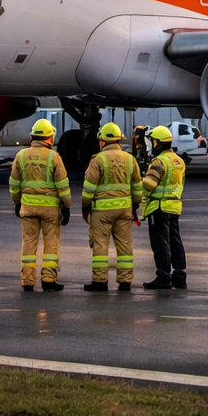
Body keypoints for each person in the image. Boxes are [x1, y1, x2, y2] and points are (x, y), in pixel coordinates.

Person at [9, 118, 71, 291]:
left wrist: (16, 201)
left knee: (28, 243)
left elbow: (14, 182)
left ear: (32, 136)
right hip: (50, 210)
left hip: (28, 207)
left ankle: (27, 282)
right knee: (51, 244)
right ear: (50, 138)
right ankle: (48, 280)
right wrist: (66, 206)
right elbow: (62, 185)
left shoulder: (21, 156)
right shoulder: (54, 157)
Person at [82, 121, 143, 292]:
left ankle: (100, 282)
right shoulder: (130, 160)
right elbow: (137, 188)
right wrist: (134, 206)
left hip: (101, 212)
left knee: (100, 245)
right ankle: (125, 282)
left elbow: (88, 189)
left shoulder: (98, 160)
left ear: (102, 141)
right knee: (124, 245)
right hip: (124, 210)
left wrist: (85, 207)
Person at [140, 124, 187, 290]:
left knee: (160, 243)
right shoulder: (178, 161)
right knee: (175, 241)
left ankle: (163, 276)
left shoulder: (160, 162)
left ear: (157, 142)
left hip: (158, 208)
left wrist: (137, 185)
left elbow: (149, 184)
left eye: (152, 141)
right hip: (174, 206)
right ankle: (179, 276)